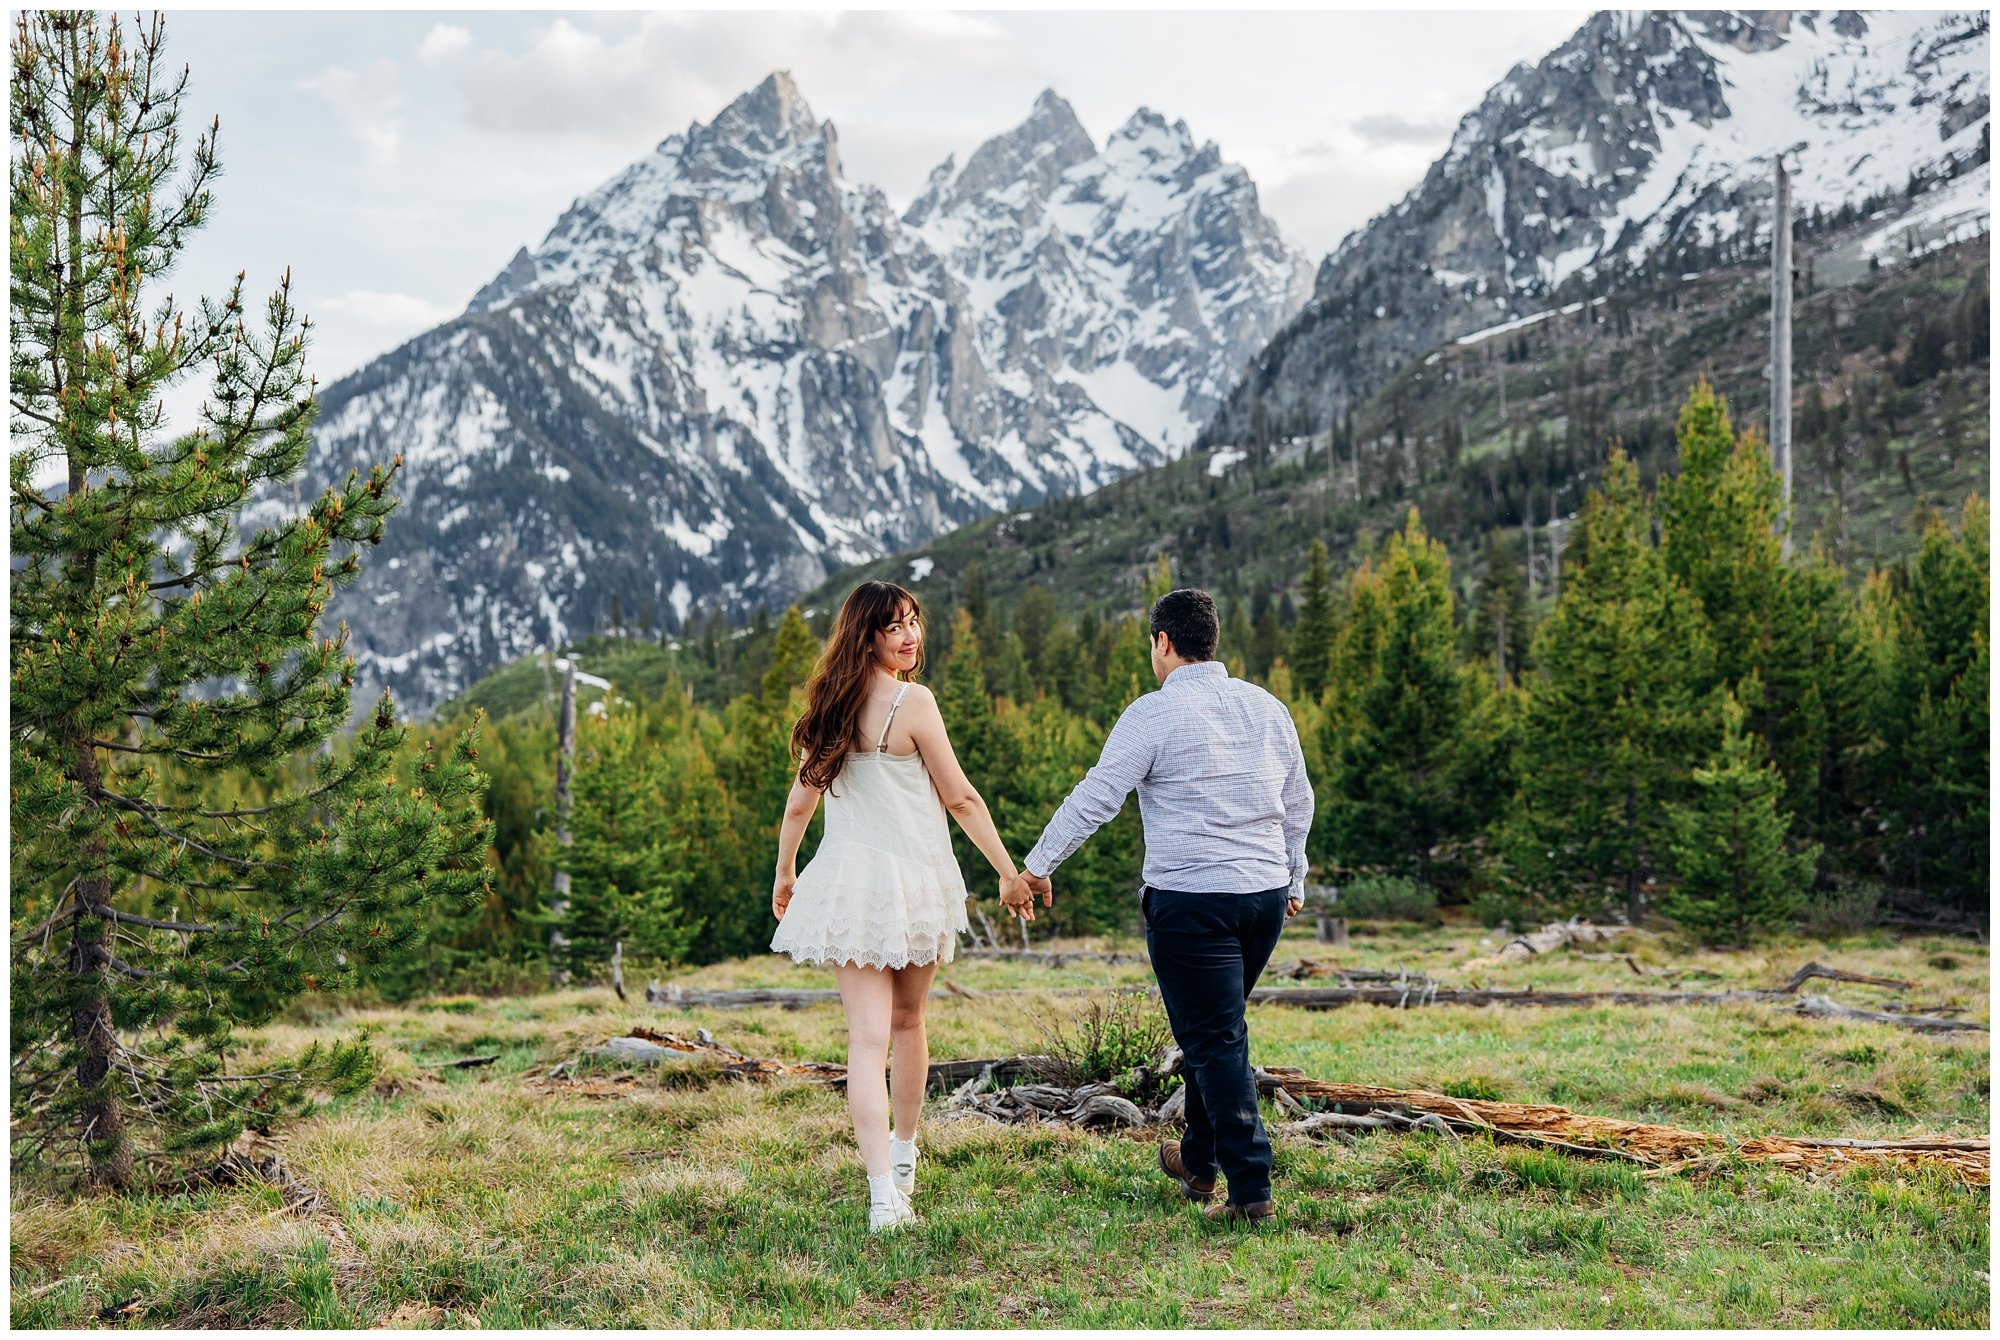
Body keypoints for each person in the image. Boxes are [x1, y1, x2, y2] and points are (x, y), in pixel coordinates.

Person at [1018, 587, 1312, 1226]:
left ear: (1163, 642)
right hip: (1263, 898)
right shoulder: (1265, 707)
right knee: (1215, 1034)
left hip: (1192, 901)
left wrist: (1036, 866)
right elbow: (1299, 798)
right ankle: (1197, 1161)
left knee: (1214, 1039)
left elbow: (1097, 797)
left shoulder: (1153, 714)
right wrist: (1294, 875)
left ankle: (1250, 1187)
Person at [771, 581, 1036, 1233]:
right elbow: (961, 799)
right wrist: (1009, 873)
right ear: (867, 636)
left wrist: (785, 872)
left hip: (848, 884)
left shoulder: (830, 705)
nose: (911, 635)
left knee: (867, 1039)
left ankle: (883, 1191)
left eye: (914, 621)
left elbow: (802, 801)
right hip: (913, 882)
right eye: (895, 627)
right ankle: (901, 1166)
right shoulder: (913, 702)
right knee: (907, 1026)